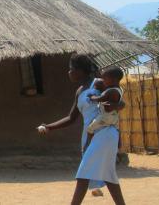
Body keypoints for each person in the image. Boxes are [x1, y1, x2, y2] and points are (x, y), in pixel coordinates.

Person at [37, 54, 126, 205]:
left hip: (104, 132)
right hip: (90, 134)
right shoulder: (79, 91)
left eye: (71, 69)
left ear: (81, 71)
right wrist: (49, 126)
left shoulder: (98, 83)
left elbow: (120, 101)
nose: (69, 72)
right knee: (108, 175)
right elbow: (71, 118)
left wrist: (116, 109)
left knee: (84, 173)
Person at [84, 66, 124, 152]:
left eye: (105, 78)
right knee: (117, 129)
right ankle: (119, 147)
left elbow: (100, 98)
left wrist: (92, 97)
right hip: (115, 117)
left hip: (105, 116)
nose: (103, 80)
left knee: (90, 128)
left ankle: (87, 145)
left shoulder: (111, 91)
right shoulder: (119, 89)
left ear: (114, 79)